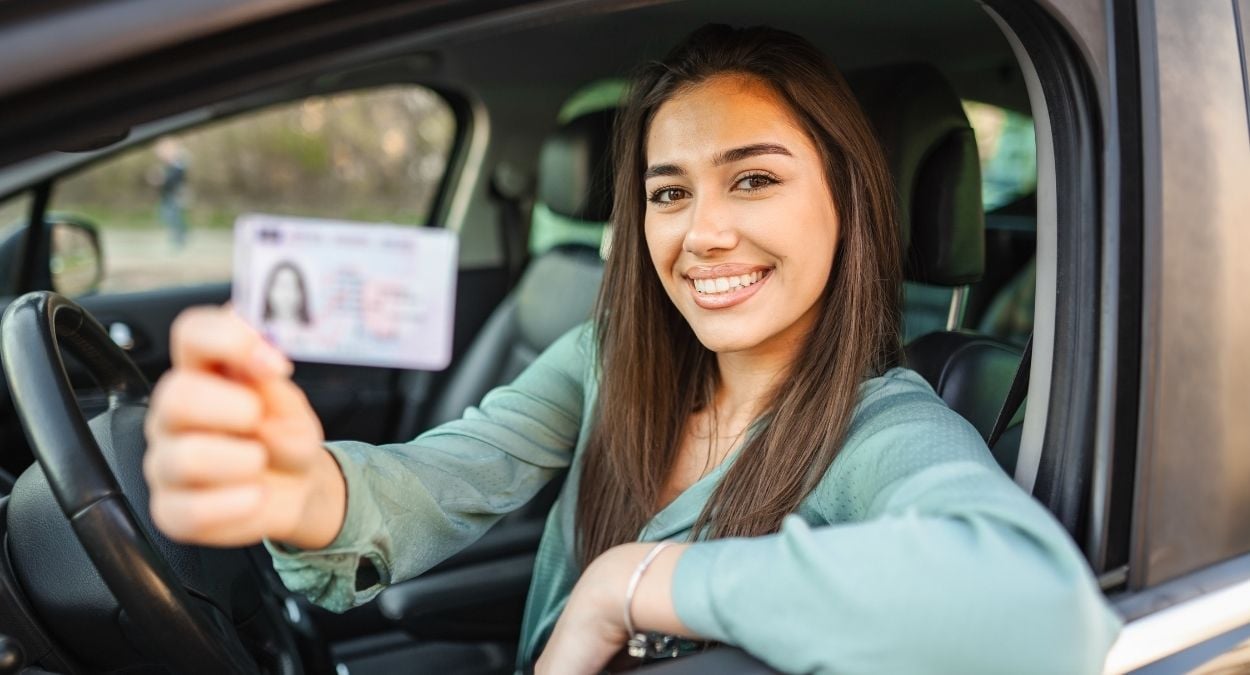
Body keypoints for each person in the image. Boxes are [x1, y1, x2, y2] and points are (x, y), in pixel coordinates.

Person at [142, 25, 1121, 674]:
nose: (700, 233)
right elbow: (448, 474)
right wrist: (300, 491)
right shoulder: (606, 355)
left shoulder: (883, 427)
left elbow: (1038, 612)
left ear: (847, 200)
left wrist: (626, 585)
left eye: (751, 181)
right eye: (666, 192)